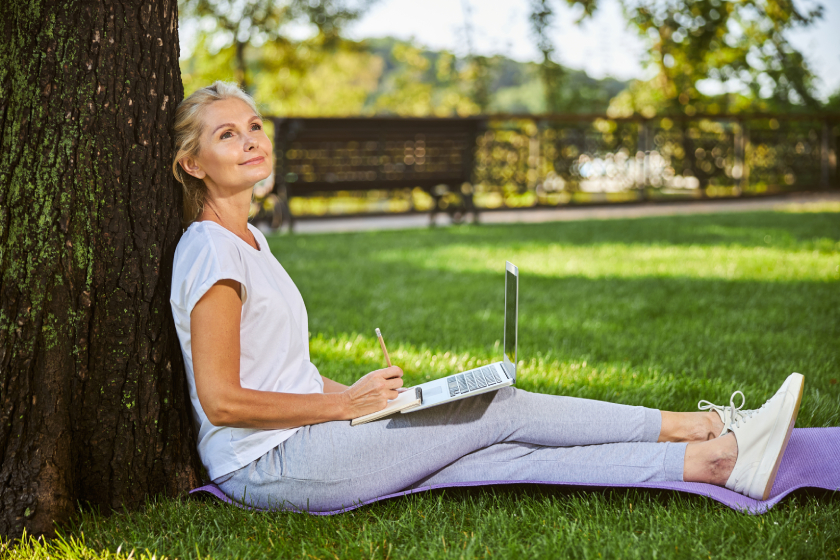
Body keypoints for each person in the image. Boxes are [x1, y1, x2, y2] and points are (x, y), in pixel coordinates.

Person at [169, 81, 804, 512]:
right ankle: (705, 425)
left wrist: (371, 400)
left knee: (491, 448)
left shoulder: (250, 238)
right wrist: (342, 412)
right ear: (192, 164)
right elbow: (223, 401)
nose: (251, 139)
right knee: (497, 407)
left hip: (307, 438)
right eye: (227, 135)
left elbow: (286, 374)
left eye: (254, 125)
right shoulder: (211, 249)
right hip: (266, 466)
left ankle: (710, 464)